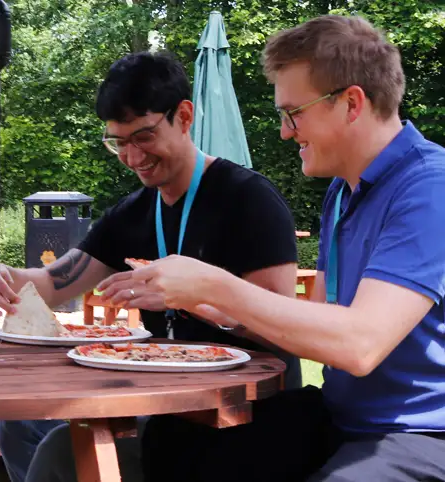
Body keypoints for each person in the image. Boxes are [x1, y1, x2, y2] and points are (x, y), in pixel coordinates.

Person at [112, 14, 445, 482]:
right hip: (343, 420)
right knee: (173, 445)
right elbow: (318, 319)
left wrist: (219, 285)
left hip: (423, 433)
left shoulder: (430, 187)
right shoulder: (344, 190)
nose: (287, 132)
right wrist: (213, 307)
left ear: (351, 103)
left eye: (294, 113)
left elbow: (360, 343)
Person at [0, 51, 302, 482]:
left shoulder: (249, 200)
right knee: (19, 424)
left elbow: (283, 323)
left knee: (64, 453)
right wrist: (6, 277)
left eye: (144, 136)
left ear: (185, 116)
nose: (133, 157)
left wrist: (197, 300)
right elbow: (55, 281)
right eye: (118, 142)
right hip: (159, 407)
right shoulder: (131, 213)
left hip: (243, 420)